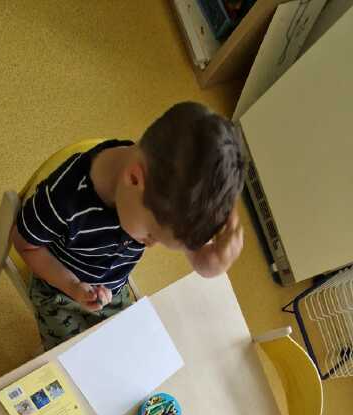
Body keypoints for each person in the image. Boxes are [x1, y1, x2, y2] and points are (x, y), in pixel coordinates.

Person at [12, 101, 245, 348]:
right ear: (134, 178)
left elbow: (176, 231)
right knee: (71, 356)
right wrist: (72, 286)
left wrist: (206, 261)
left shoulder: (161, 190)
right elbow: (23, 243)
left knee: (133, 347)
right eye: (151, 235)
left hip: (112, 288)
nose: (150, 245)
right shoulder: (64, 200)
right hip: (58, 291)